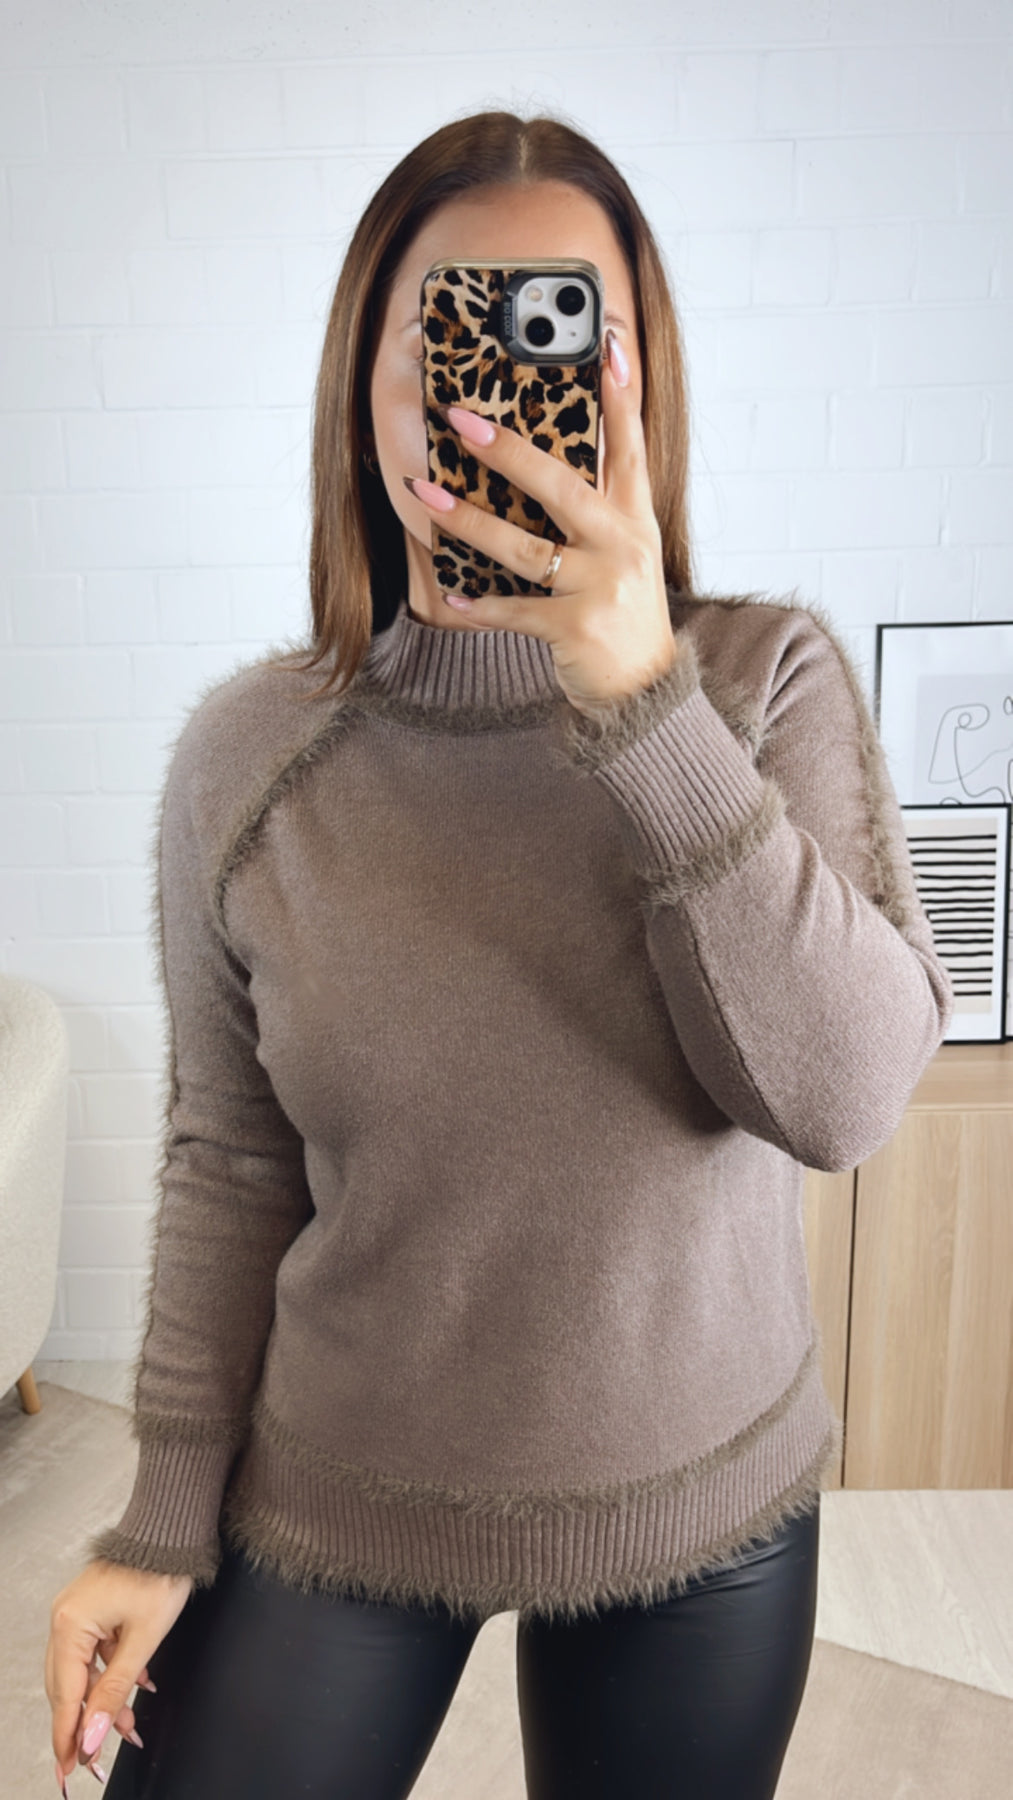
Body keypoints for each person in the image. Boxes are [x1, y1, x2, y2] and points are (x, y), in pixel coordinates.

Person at [45, 109, 954, 1799]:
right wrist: (162, 1522)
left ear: (632, 385)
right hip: (345, 1478)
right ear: (365, 384)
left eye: (557, 333)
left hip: (700, 1502)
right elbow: (229, 1158)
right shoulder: (250, 758)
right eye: (447, 334)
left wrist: (645, 708)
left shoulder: (763, 684)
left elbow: (839, 1101)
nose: (491, 397)